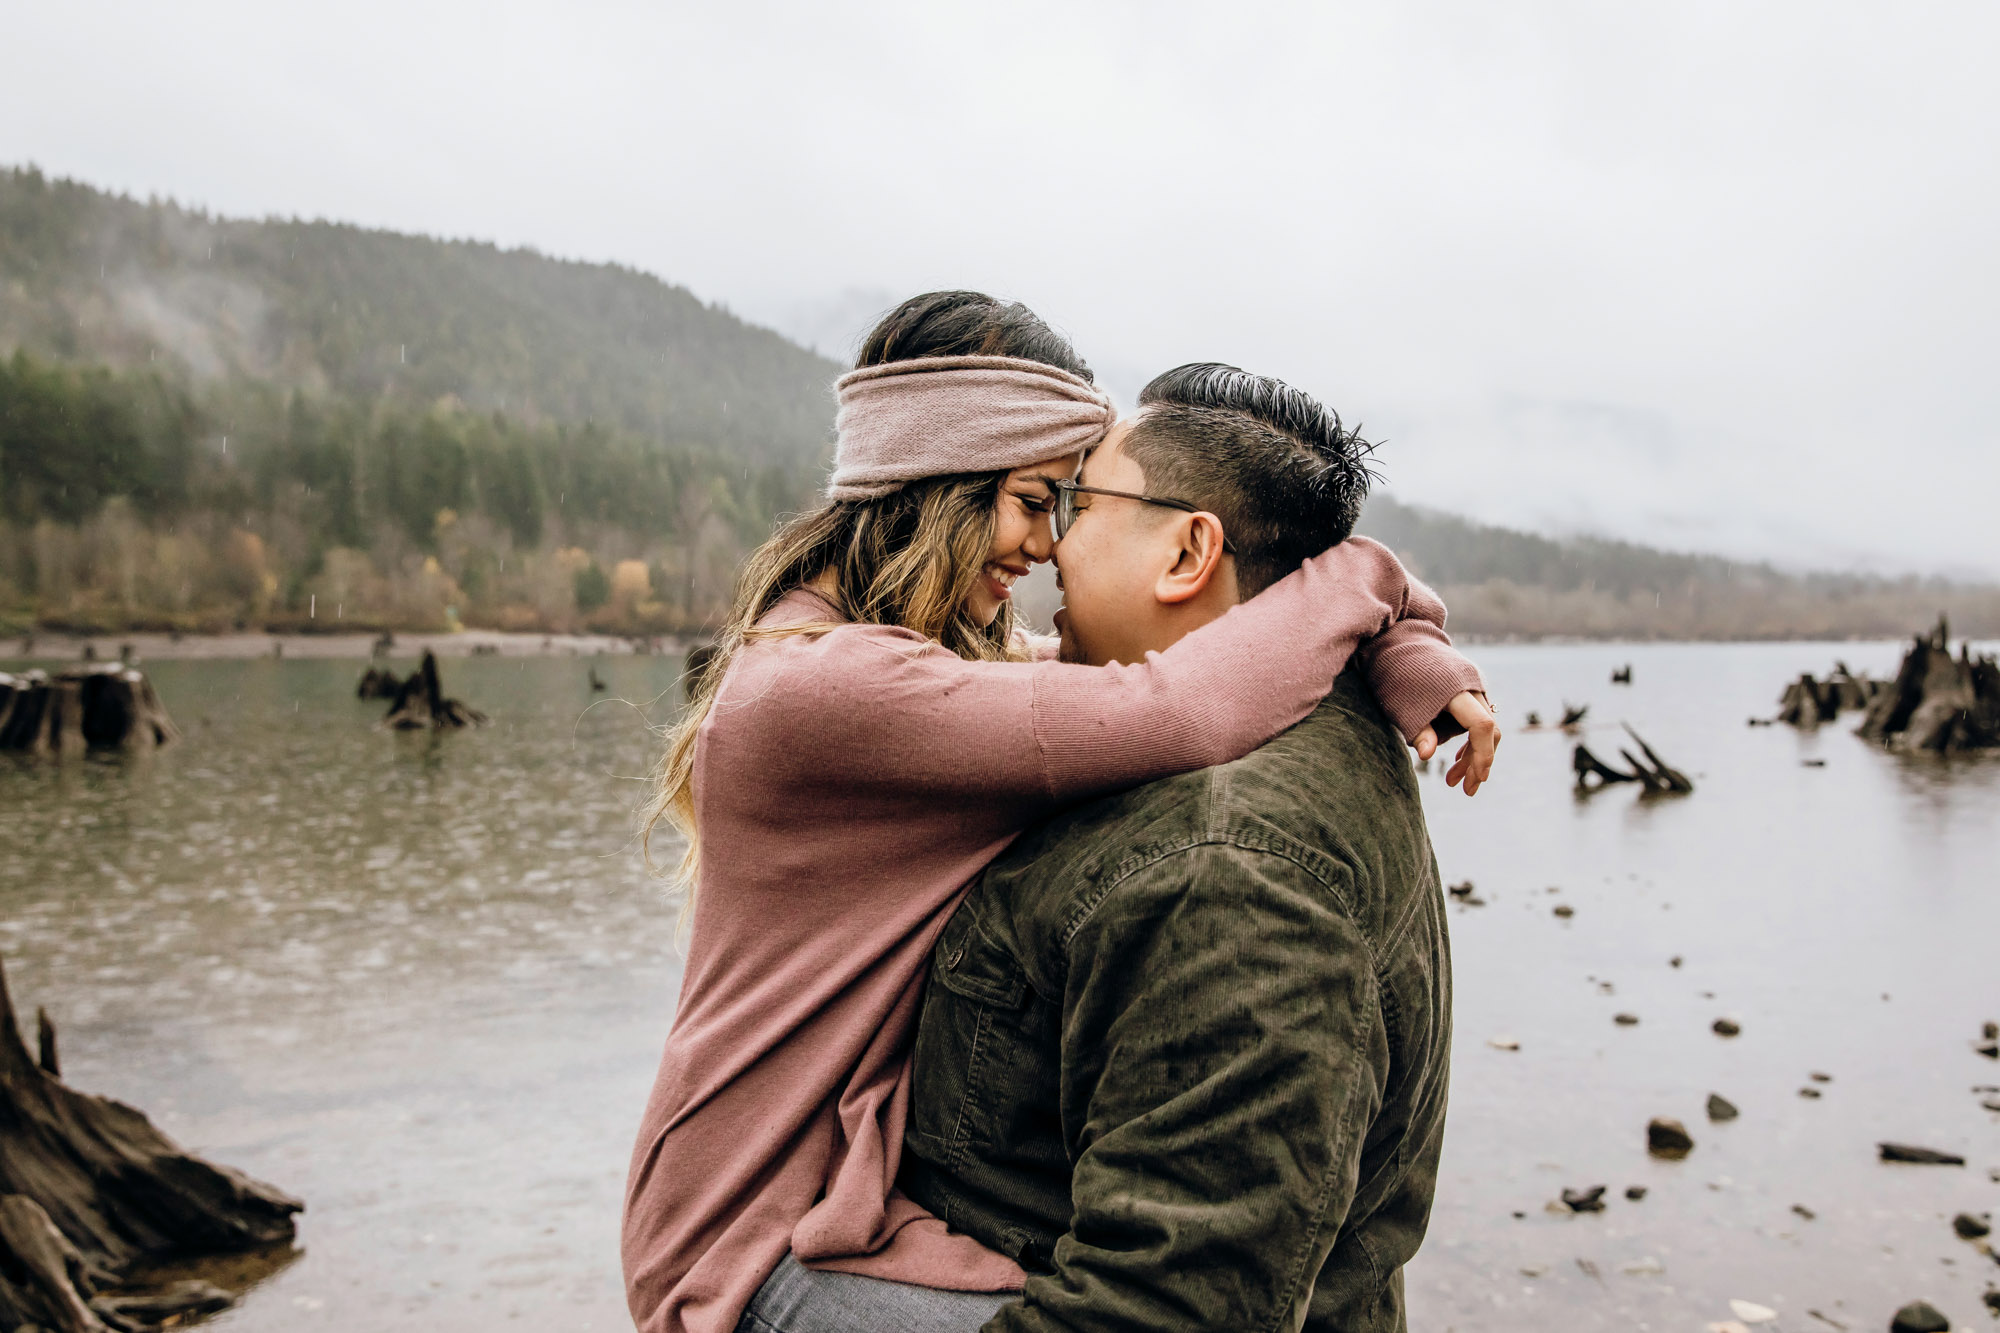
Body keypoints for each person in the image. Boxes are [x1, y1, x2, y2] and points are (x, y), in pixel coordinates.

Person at [620, 292, 1495, 1333]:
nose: (1046, 545)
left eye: (1069, 507)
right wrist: (1356, 573)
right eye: (1038, 499)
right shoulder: (825, 689)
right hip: (745, 1226)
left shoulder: (923, 665)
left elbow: (1177, 669)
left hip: (834, 1175)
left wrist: (1394, 639)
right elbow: (1179, 701)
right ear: (939, 480)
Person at [884, 363, 1473, 1333]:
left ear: (1187, 552)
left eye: (1078, 502)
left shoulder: (1227, 867)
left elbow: (1167, 1307)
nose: (1049, 546)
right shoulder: (1282, 716)